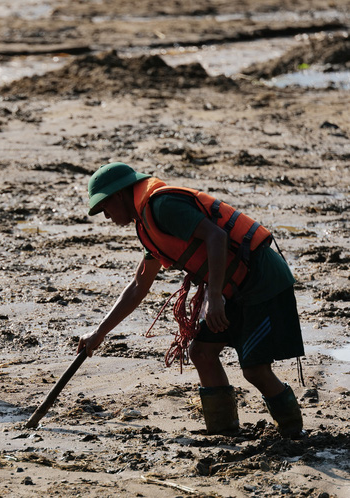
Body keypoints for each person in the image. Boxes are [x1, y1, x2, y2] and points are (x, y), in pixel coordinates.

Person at [77, 162, 305, 437]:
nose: (106, 217)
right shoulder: (146, 223)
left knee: (255, 369)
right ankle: (224, 433)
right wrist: (99, 333)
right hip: (233, 286)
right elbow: (139, 285)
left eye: (105, 208)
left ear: (120, 195)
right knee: (201, 352)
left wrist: (216, 295)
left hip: (261, 281)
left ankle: (293, 435)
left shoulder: (162, 206)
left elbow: (216, 237)